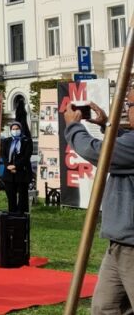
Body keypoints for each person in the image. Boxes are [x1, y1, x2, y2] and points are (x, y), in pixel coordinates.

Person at [64, 92, 134, 313]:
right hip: (120, 243)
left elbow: (97, 152)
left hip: (131, 246)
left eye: (129, 104)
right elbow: (122, 147)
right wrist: (108, 125)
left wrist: (73, 127)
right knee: (105, 307)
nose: (126, 109)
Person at [0, 119, 33, 214]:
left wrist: (15, 166)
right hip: (9, 174)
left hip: (22, 173)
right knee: (11, 196)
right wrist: (8, 166)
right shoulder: (7, 141)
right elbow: (4, 155)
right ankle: (11, 214)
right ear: (10, 130)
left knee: (22, 197)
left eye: (17, 128)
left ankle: (21, 216)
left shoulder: (26, 141)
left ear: (20, 129)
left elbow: (26, 156)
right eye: (13, 129)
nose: (15, 130)